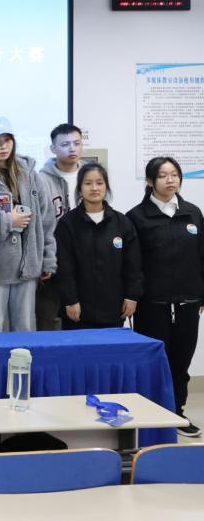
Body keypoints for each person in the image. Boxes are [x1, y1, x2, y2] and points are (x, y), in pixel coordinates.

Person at [127, 156, 204, 437]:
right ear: (150, 181)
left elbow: (201, 256)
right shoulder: (136, 217)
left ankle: (177, 413)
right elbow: (133, 264)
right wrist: (133, 296)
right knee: (154, 362)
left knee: (181, 362)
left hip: (188, 302)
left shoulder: (192, 213)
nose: (170, 180)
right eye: (162, 175)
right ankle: (151, 416)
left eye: (174, 174)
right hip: (152, 304)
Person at [0, 117, 57, 332]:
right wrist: (8, 221)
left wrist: (48, 260)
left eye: (7, 140)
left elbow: (46, 221)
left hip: (27, 269)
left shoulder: (30, 174)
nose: (3, 146)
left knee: (25, 329)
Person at [54, 163, 142, 330]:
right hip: (77, 310)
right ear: (80, 189)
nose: (94, 188)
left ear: (106, 187)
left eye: (99, 183)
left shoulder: (122, 223)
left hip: (114, 308)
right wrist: (70, 300)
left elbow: (133, 265)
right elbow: (64, 266)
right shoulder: (68, 223)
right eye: (88, 183)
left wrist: (132, 296)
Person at [37, 123, 87, 330]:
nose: (72, 148)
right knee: (50, 320)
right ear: (53, 148)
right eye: (65, 144)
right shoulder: (40, 179)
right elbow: (38, 224)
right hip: (54, 259)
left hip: (85, 258)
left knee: (84, 320)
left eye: (76, 143)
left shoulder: (91, 175)